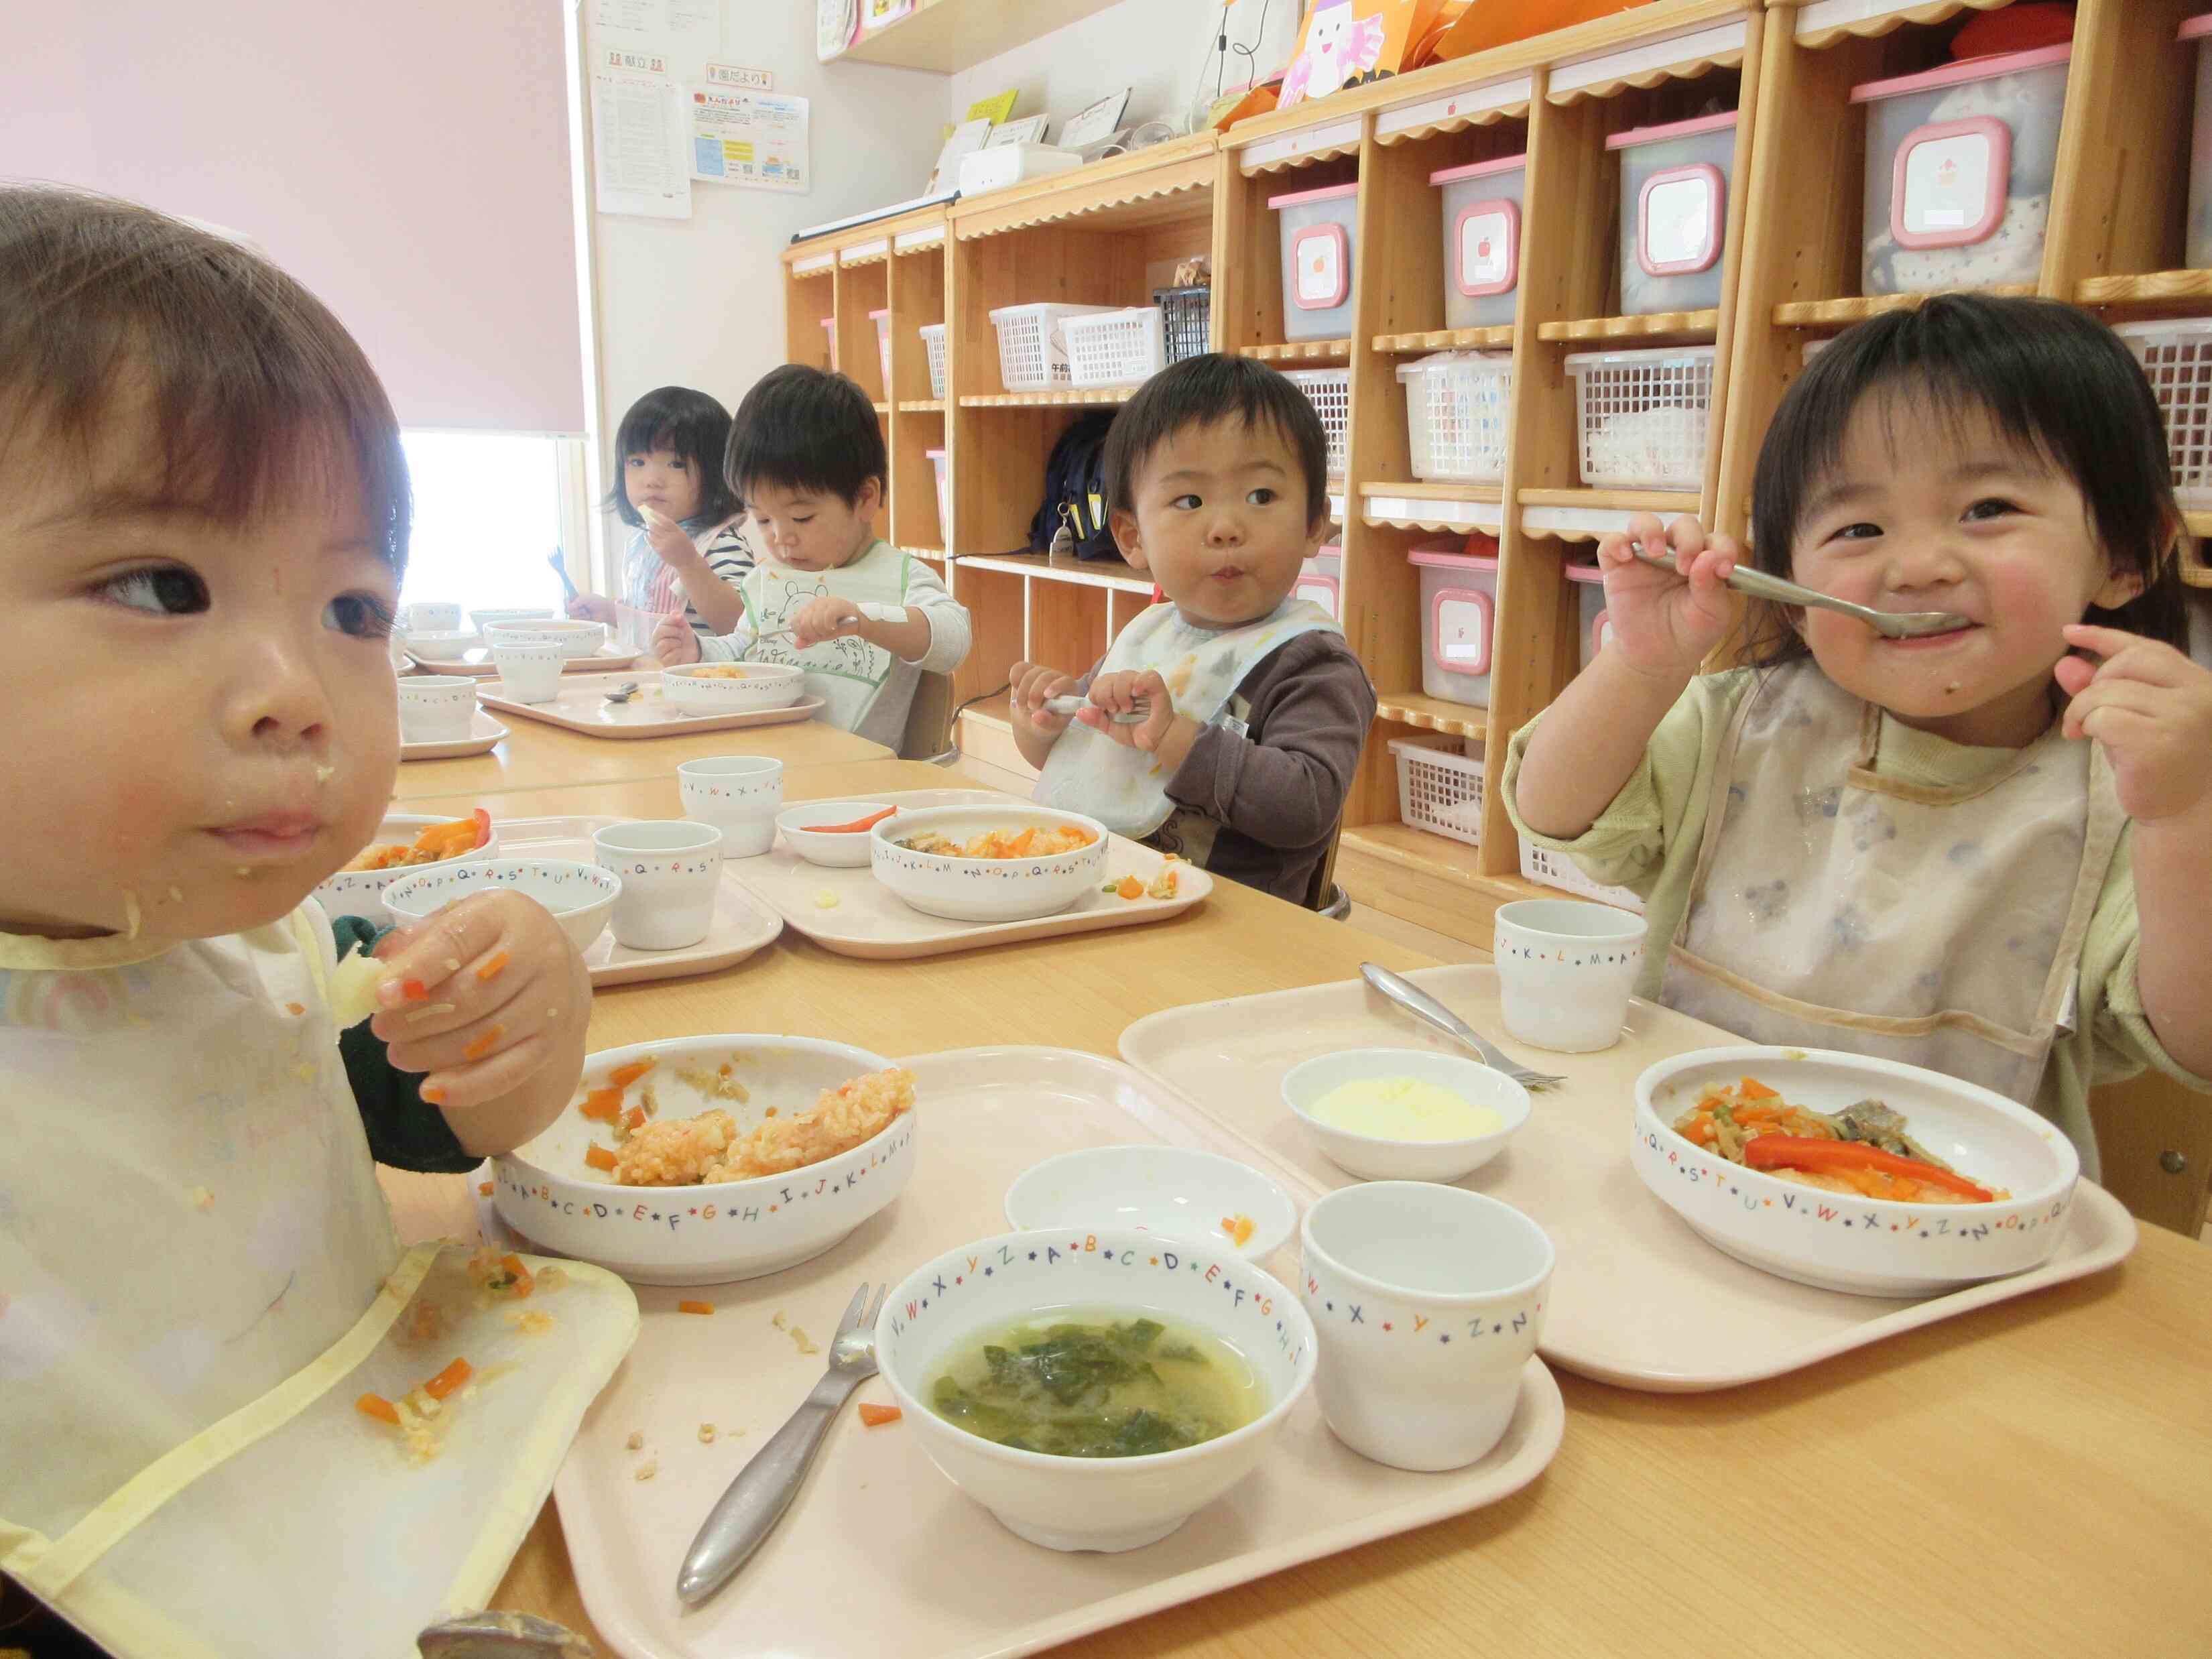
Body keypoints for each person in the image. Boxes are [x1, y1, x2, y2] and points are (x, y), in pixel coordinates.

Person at [0, 188, 595, 1638]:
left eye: (353, 610)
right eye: (161, 582)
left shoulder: (273, 959)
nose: (301, 691)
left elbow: (444, 1117)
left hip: (419, 1515)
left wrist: (524, 1029)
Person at [1505, 295, 2212, 1169]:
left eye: (1988, 507)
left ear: (2127, 553)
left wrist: (2184, 815)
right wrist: (1643, 664)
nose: (1915, 564)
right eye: (1860, 527)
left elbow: (2193, 1039)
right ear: (1793, 590)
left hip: (1951, 1227)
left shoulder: (2133, 787)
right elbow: (1555, 813)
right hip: (1684, 1167)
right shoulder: (1747, 723)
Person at [1008, 354, 1375, 906]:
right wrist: (1041, 725)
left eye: (1261, 496)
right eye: (1190, 500)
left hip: (1234, 925)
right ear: (1132, 538)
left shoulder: (1312, 663)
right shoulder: (1151, 634)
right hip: (1108, 893)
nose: (1226, 527)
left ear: (1314, 523)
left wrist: (1174, 736)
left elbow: (1307, 806)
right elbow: (1084, 755)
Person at [654, 365, 970, 750]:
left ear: (865, 498)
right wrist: (698, 652)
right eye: (763, 519)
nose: (781, 538)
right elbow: (743, 650)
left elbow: (954, 639)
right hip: (774, 762)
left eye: (802, 517)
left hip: (859, 784)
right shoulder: (767, 579)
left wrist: (864, 619)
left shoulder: (901, 576)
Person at [570, 384, 755, 642]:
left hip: (702, 679)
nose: (652, 480)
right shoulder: (643, 541)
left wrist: (688, 563)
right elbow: (650, 618)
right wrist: (610, 613)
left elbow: (738, 625)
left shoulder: (722, 543)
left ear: (717, 473)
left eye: (676, 464)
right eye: (637, 462)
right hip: (647, 678)